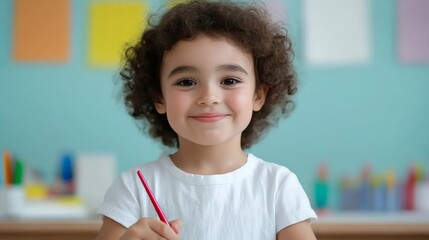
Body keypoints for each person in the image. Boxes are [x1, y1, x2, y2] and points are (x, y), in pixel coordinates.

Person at [96, 0, 317, 239]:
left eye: (229, 81)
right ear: (159, 97)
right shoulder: (134, 189)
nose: (209, 97)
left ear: (258, 95)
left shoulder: (278, 187)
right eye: (186, 82)